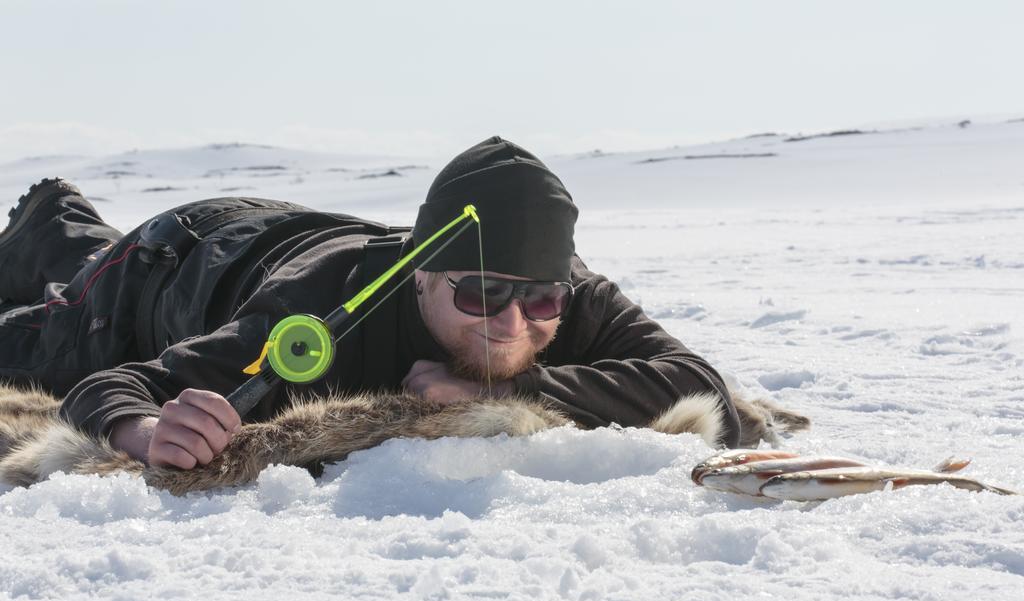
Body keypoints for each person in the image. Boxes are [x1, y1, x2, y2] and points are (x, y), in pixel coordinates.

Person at [0, 137, 741, 470]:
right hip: (170, 265)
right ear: (421, 274)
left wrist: (518, 384)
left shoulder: (571, 299)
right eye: (480, 293)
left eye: (541, 298)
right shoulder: (316, 314)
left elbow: (700, 385)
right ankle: (48, 219)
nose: (515, 325)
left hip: (282, 220)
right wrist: (143, 427)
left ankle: (58, 225)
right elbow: (117, 386)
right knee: (48, 324)